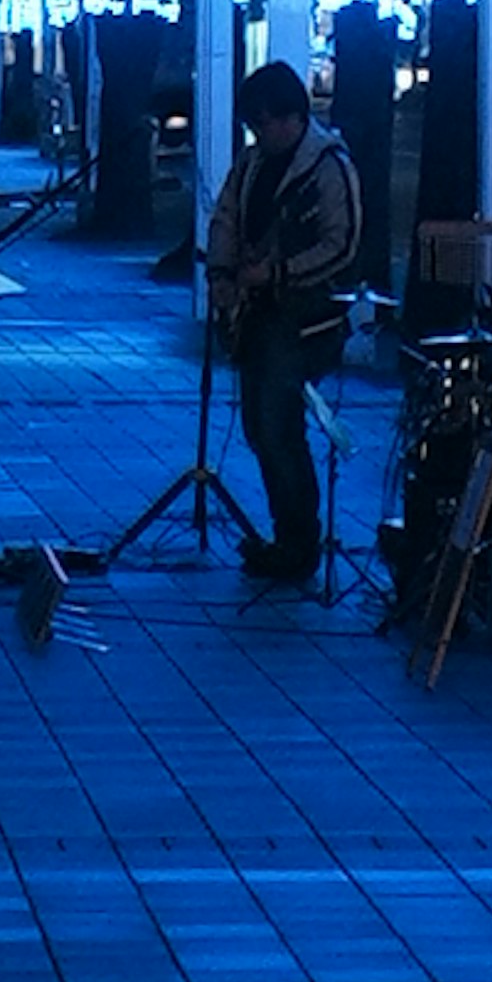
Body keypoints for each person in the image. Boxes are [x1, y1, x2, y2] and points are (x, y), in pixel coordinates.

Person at [204, 63, 359, 589]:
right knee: (260, 427)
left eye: (264, 123)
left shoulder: (328, 166)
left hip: (305, 318)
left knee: (277, 426)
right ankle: (287, 533)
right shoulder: (253, 164)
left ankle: (299, 541)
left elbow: (341, 243)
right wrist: (222, 274)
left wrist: (277, 272)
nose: (258, 134)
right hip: (260, 313)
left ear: (293, 118)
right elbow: (225, 216)